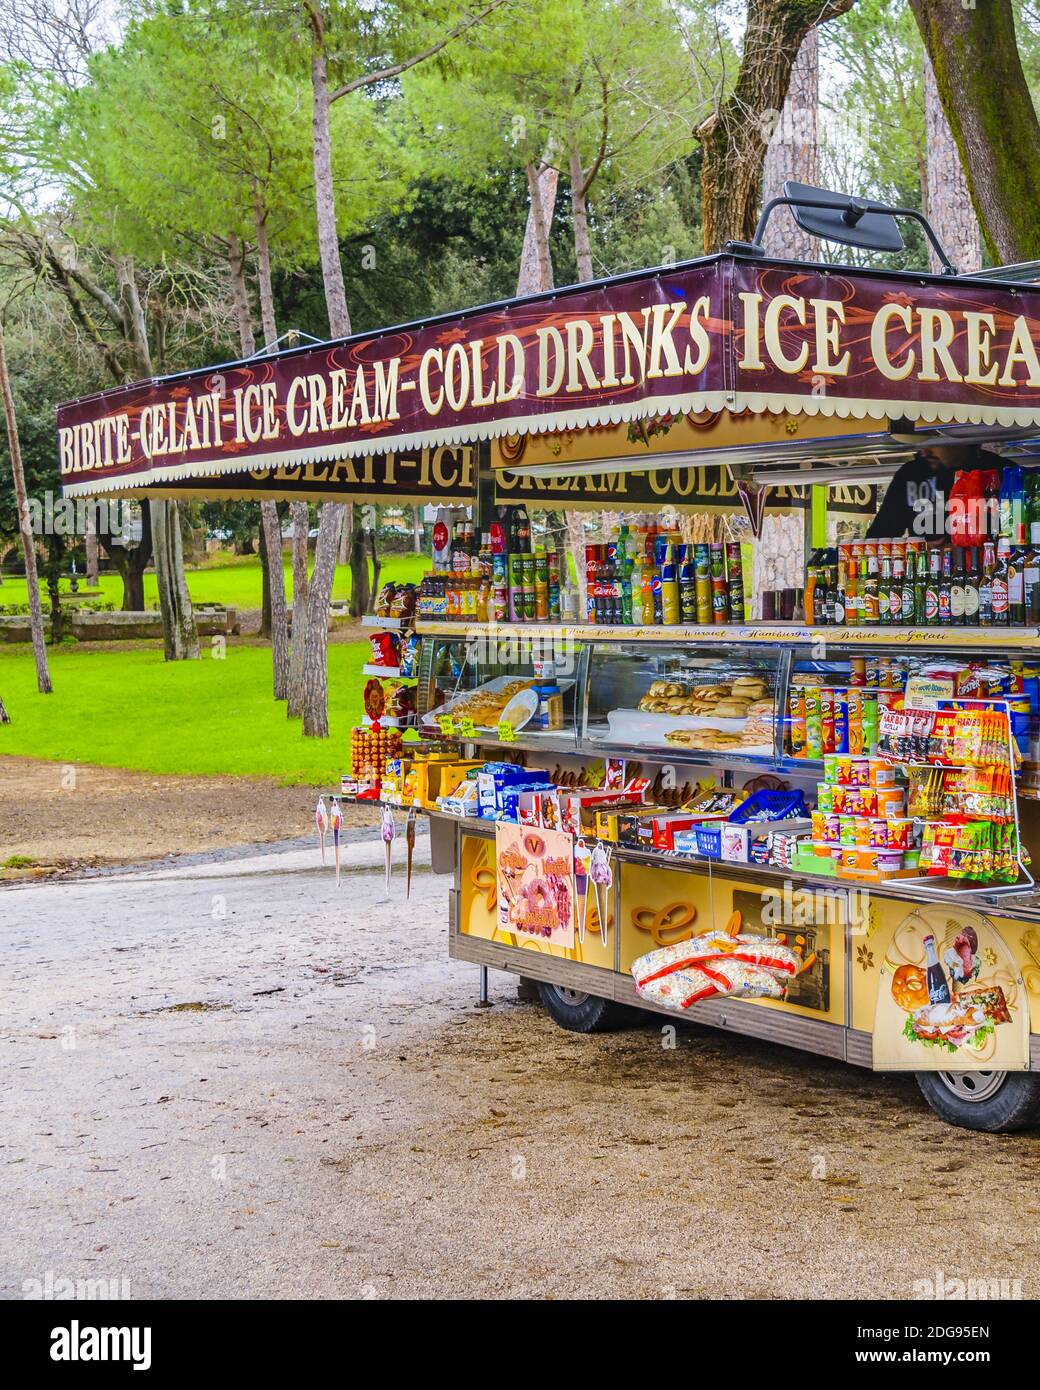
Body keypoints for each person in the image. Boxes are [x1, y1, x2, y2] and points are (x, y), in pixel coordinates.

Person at [866, 444, 999, 540]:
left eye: (933, 442)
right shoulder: (910, 475)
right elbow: (879, 537)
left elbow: (1015, 533)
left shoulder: (998, 470)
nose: (925, 451)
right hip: (925, 574)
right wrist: (920, 549)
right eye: (921, 443)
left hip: (986, 572)